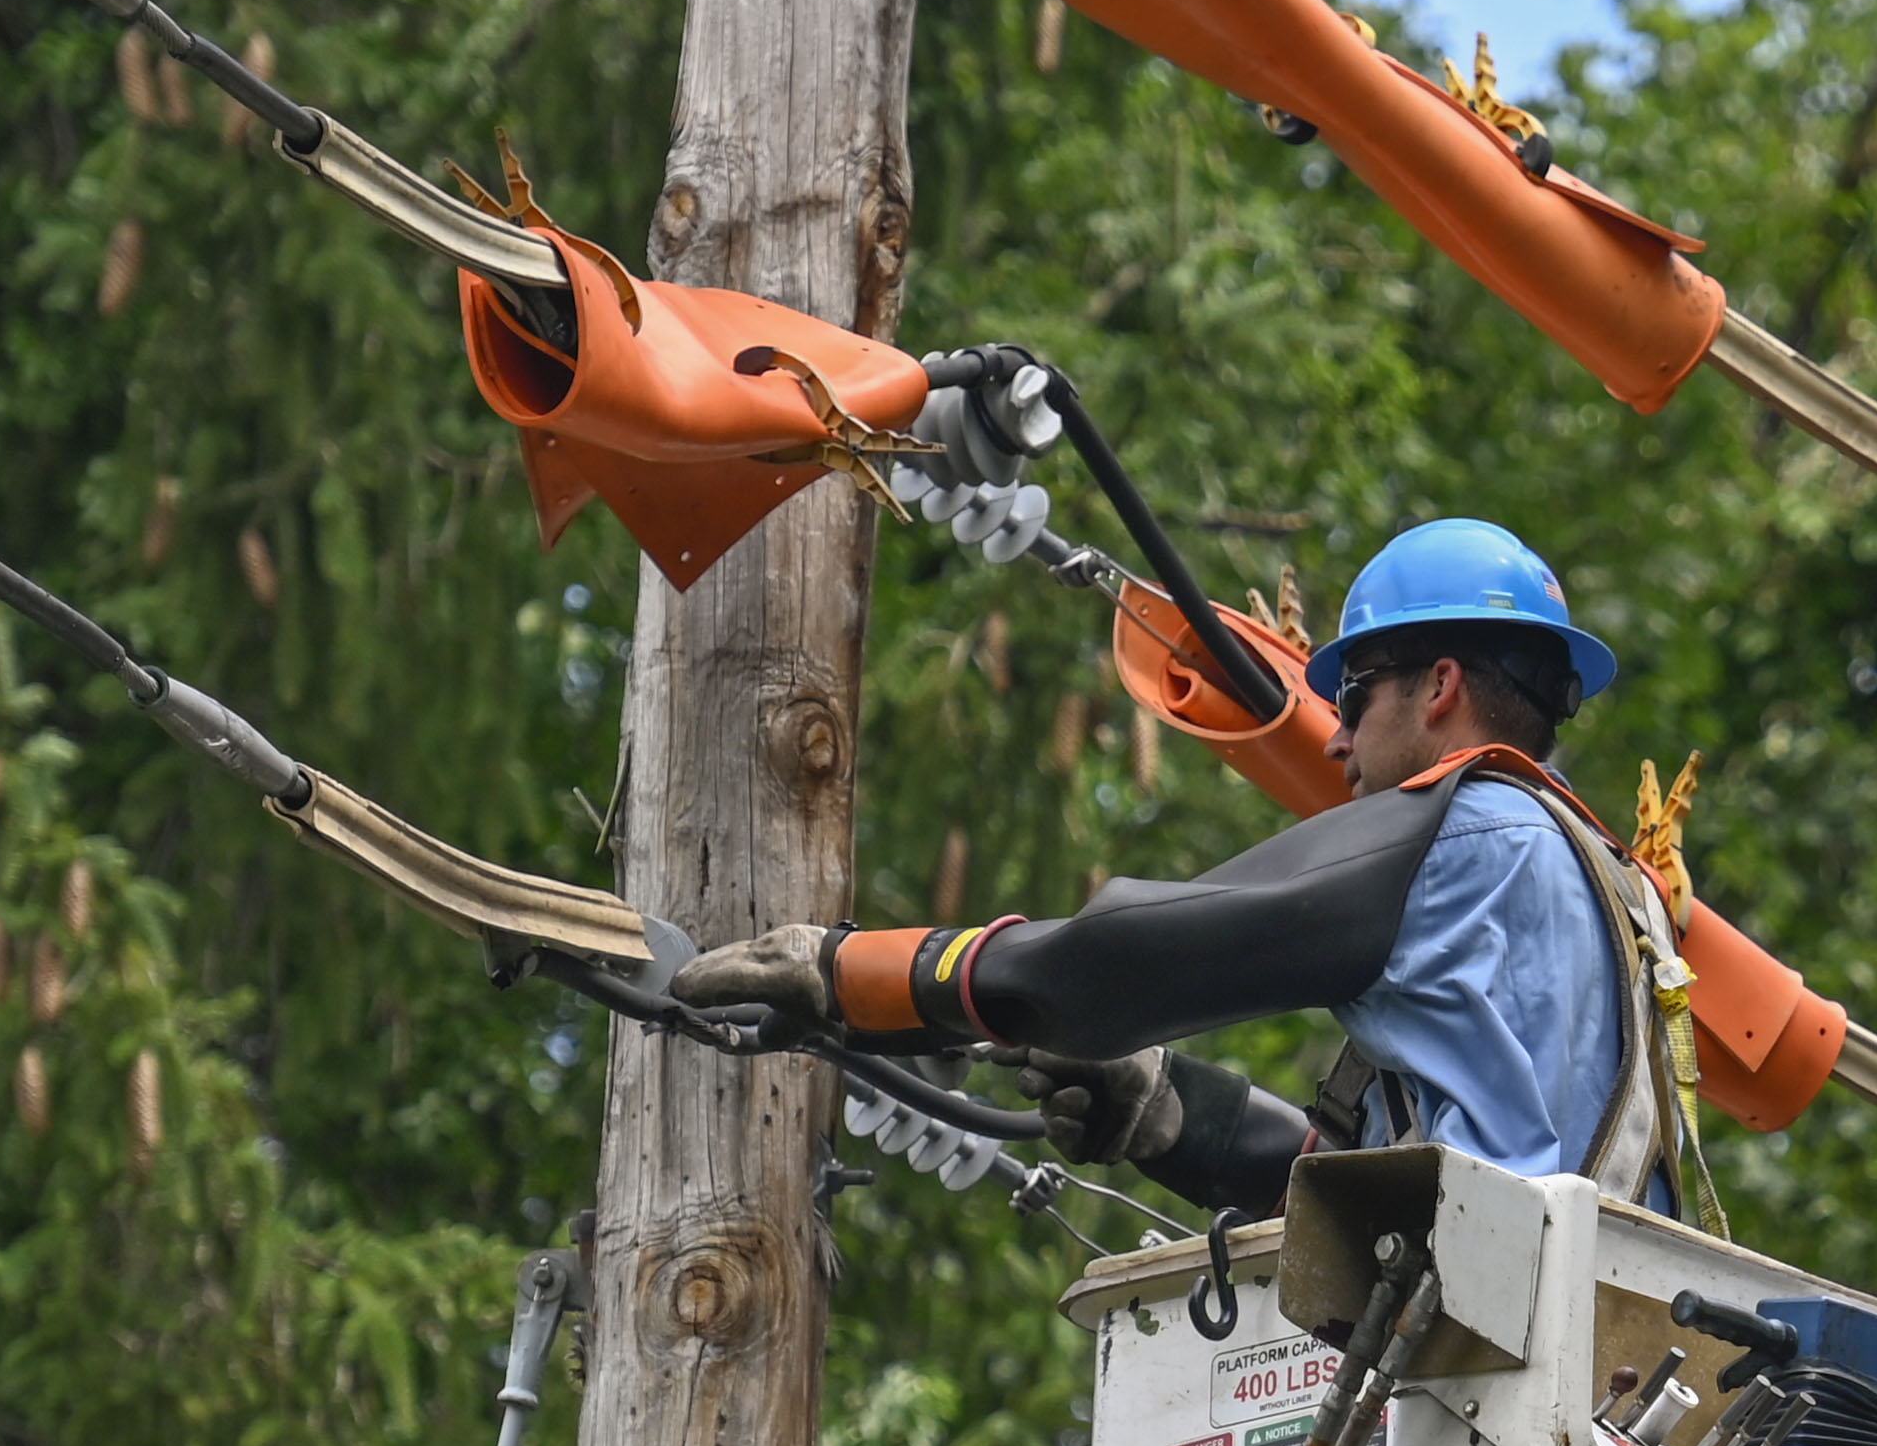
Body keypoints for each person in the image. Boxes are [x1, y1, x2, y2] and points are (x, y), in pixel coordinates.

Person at [671, 518, 1679, 1217]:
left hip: (1488, 1377)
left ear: (1440, 687)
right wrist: (1168, 1113)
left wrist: (847, 974)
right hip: (1581, 1361)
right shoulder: (1611, 892)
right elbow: (1413, 1203)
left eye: (1355, 697)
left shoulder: (1461, 835)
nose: (1335, 744)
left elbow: (1113, 959)